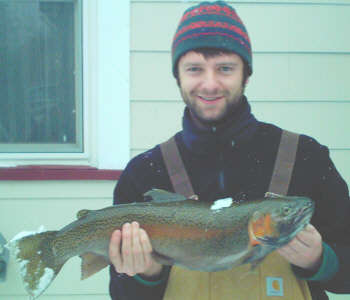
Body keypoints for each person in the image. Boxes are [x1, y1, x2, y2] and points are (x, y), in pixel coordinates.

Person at [108, 1, 350, 299]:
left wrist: (320, 260)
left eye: (225, 68)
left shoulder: (305, 157)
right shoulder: (143, 174)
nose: (210, 84)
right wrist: (145, 273)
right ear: (178, 77)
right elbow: (122, 294)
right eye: (195, 69)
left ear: (245, 75)